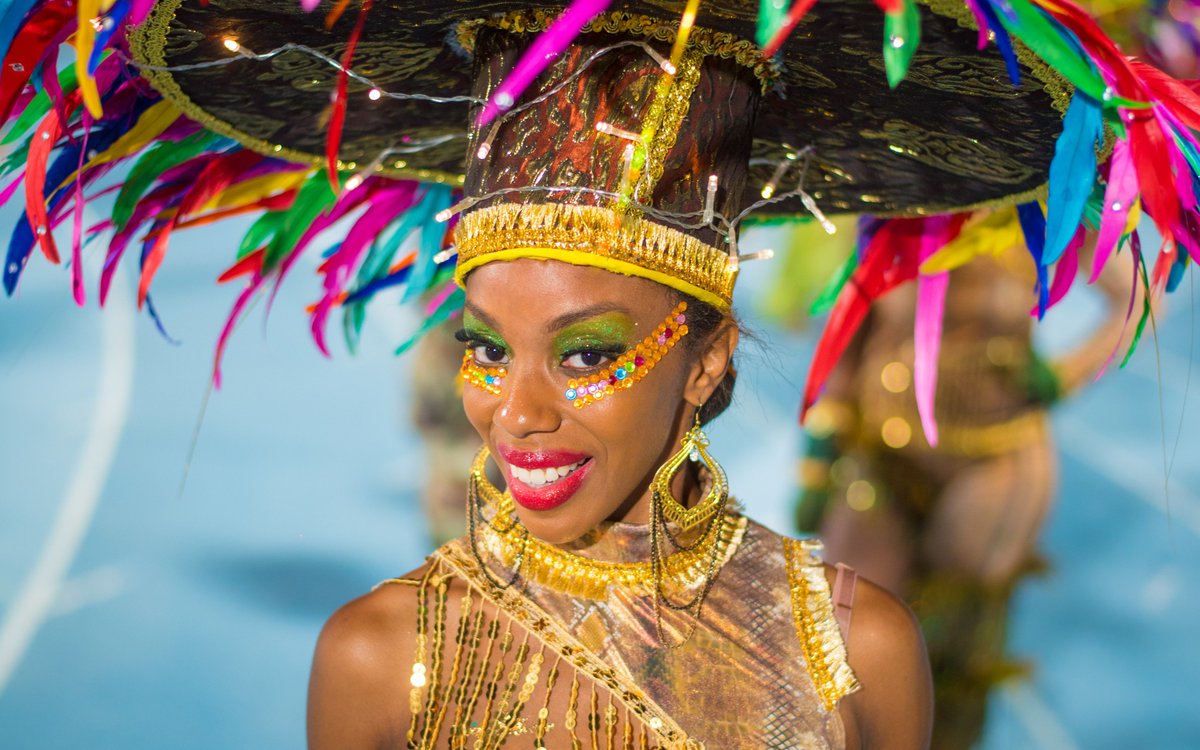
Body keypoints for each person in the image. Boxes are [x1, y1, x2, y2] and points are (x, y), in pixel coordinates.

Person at [3, 2, 1199, 749]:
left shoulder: (859, 657)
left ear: (708, 363)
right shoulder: (378, 662)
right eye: (484, 346)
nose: (514, 412)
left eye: (586, 353)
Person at [796, 214, 1143, 749]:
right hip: (879, 456)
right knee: (839, 634)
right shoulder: (893, 199)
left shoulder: (1039, 210)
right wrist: (819, 455)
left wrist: (1062, 376)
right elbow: (851, 324)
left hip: (995, 465)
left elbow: (1138, 295)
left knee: (950, 653)